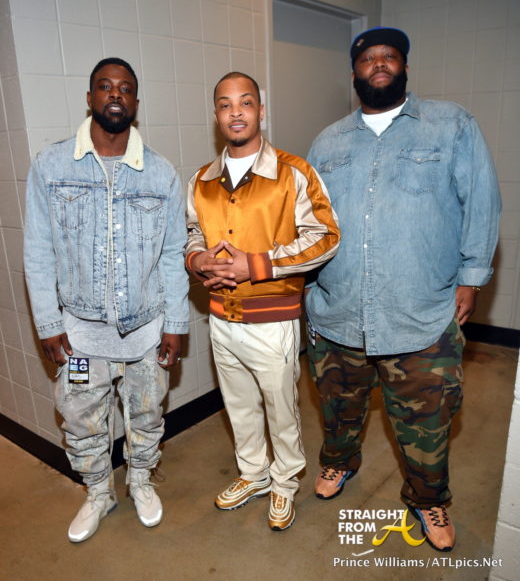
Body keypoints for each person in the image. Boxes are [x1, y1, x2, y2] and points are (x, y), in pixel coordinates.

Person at [306, 27, 501, 551]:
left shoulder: (451, 125)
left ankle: (427, 497)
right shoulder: (327, 142)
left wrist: (472, 277)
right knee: (338, 407)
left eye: (389, 56)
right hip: (338, 309)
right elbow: (308, 223)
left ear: (405, 67)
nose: (379, 64)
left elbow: (482, 202)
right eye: (368, 58)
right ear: (354, 73)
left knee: (427, 420)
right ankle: (338, 462)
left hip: (420, 311)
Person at [24, 58, 189, 543]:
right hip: (79, 339)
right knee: (80, 420)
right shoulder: (51, 166)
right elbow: (38, 249)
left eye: (126, 88)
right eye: (105, 86)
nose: (115, 94)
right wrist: (47, 323)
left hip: (146, 333)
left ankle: (139, 481)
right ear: (90, 98)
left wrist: (176, 323)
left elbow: (173, 254)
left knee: (147, 415)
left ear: (135, 102)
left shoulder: (161, 172)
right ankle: (98, 492)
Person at [185, 72, 340, 531]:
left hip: (272, 321)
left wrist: (257, 265)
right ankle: (253, 474)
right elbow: (191, 233)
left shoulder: (292, 173)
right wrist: (196, 260)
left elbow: (325, 236)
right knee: (238, 406)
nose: (236, 112)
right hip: (221, 318)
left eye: (245, 102)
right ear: (216, 115)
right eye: (225, 104)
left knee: (281, 410)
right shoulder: (201, 180)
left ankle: (285, 483)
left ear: (260, 110)